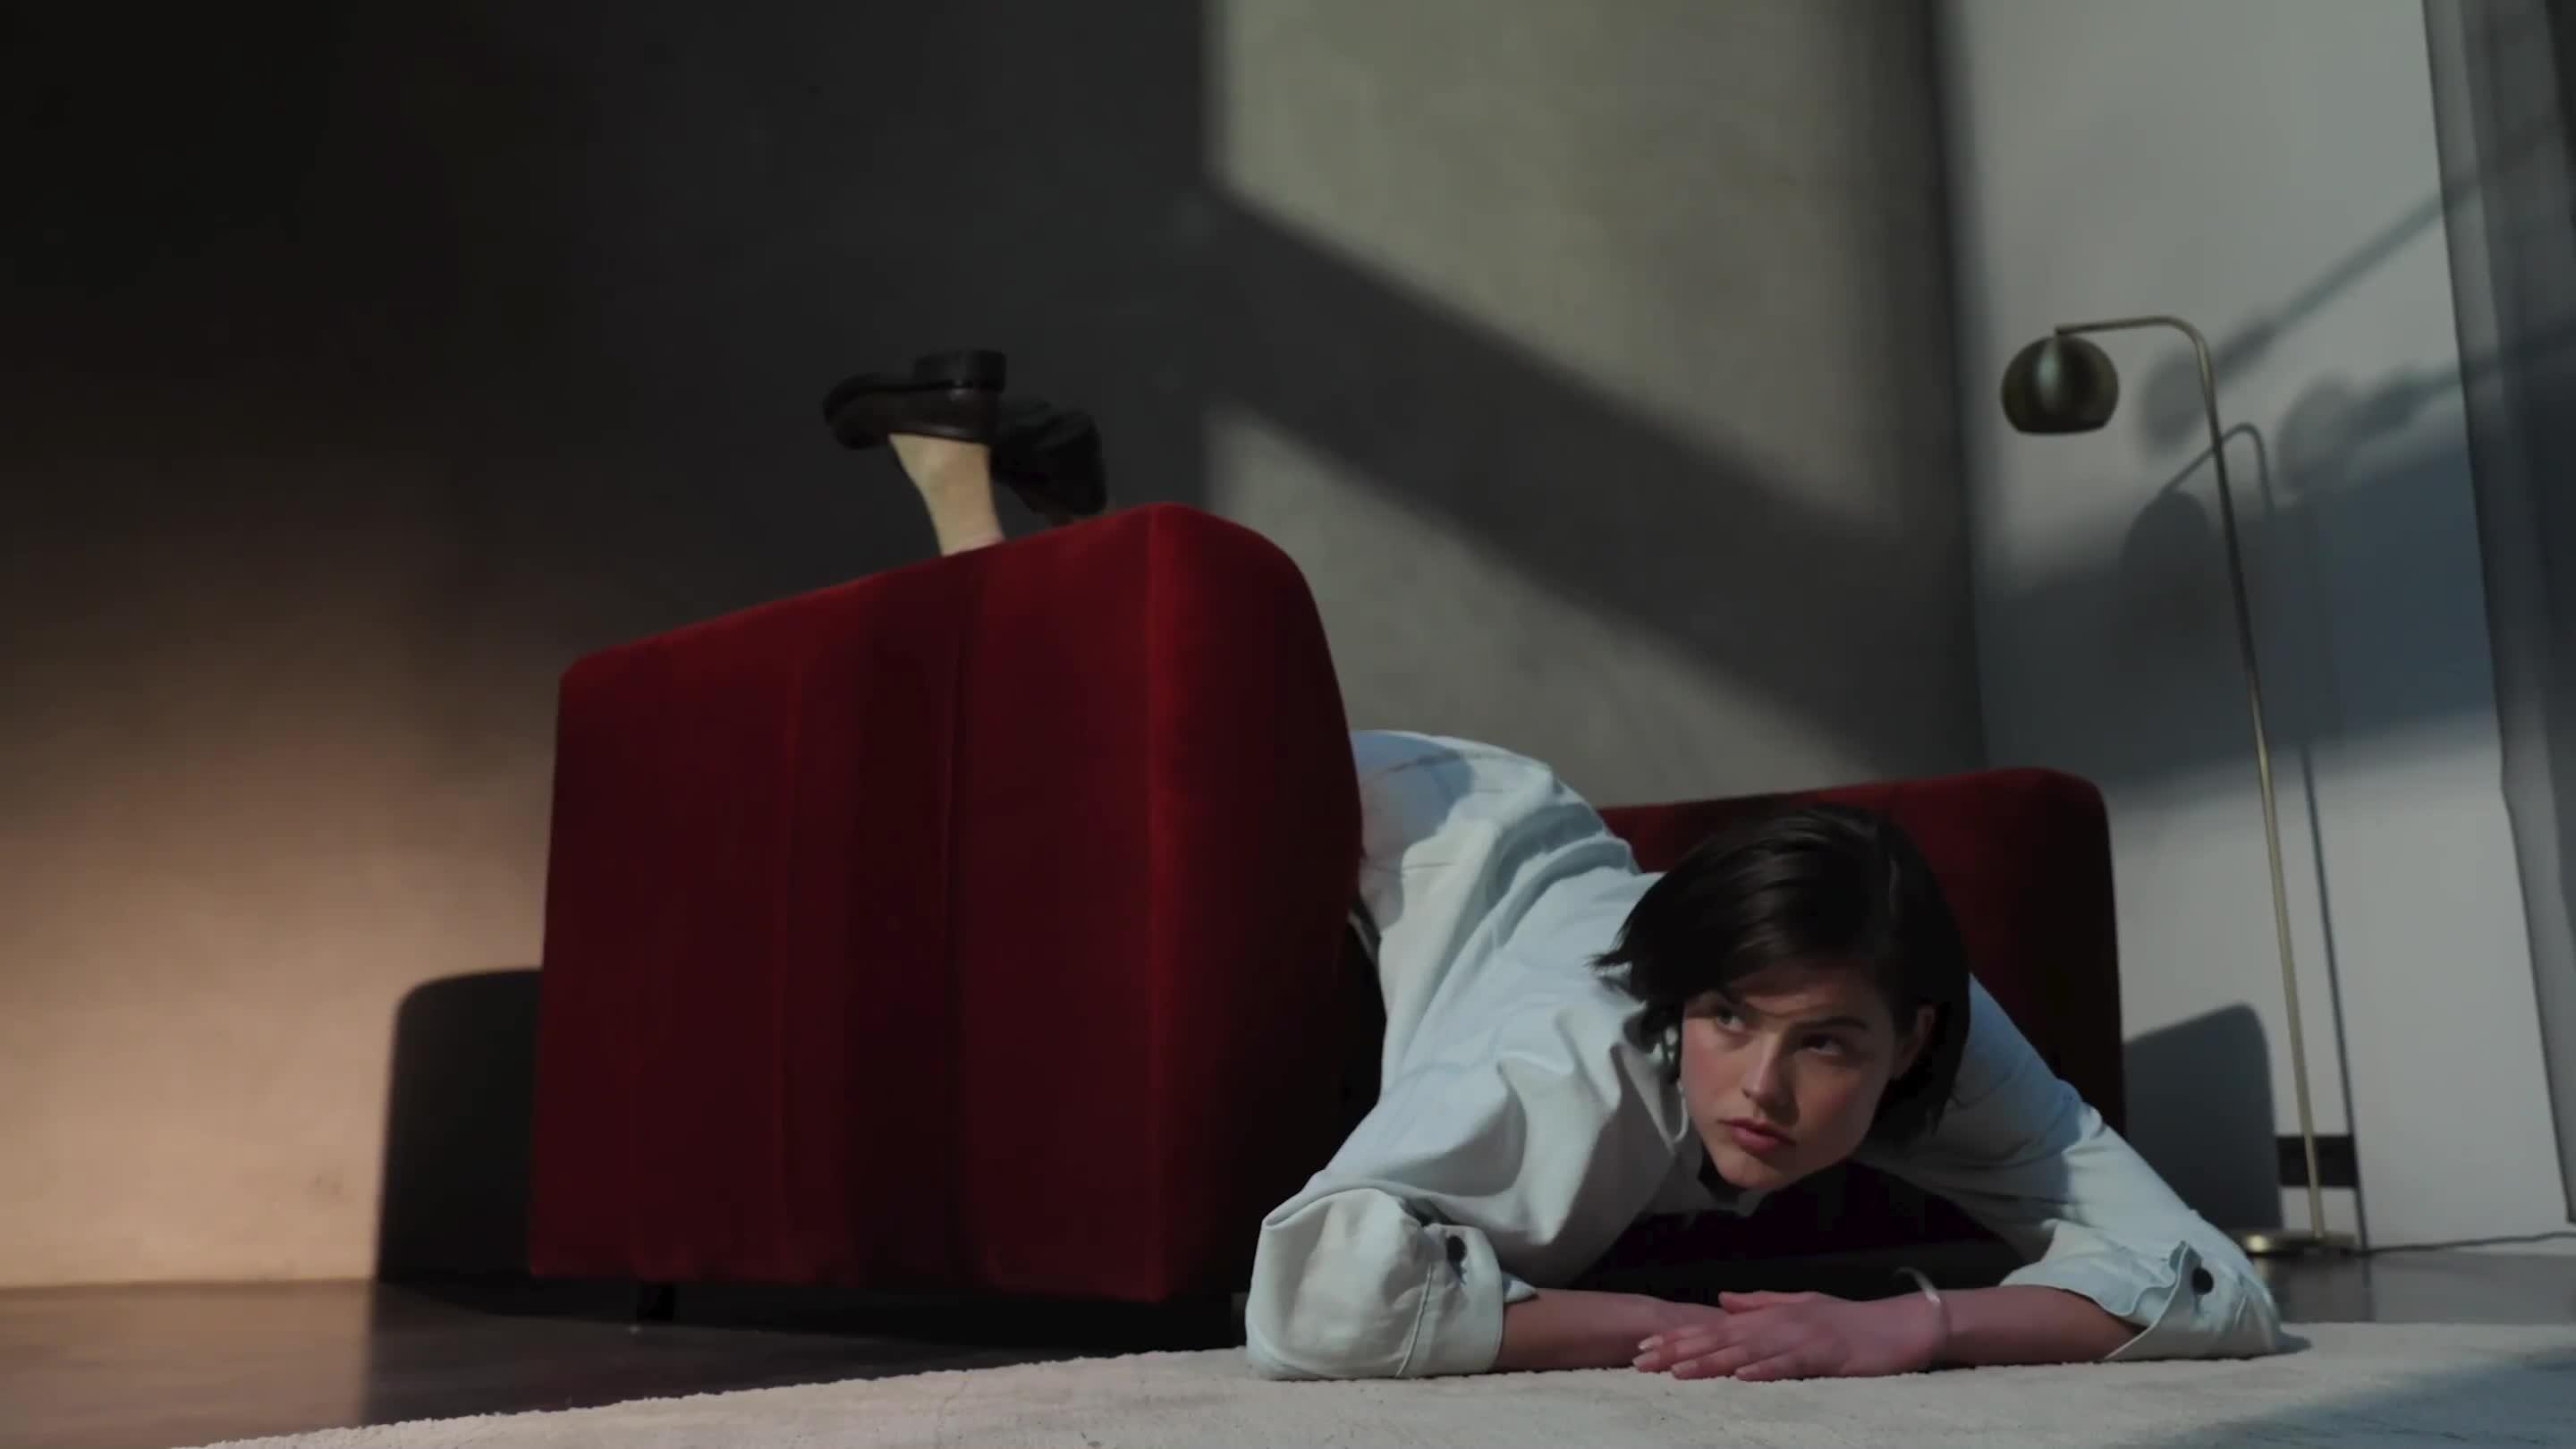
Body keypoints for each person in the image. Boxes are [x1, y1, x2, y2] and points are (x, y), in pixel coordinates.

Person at [829, 353, 2287, 1384]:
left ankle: (1030, 507)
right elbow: (1316, 1302)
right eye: (1730, 1021)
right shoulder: (1574, 1066)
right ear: (1682, 1004)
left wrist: (1906, 1327)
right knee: (1079, 751)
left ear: (1909, 1039)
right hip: (1429, 819)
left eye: (1827, 1045)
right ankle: (967, 485)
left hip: (1555, 864)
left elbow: (2215, 1285)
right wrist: (1665, 1324)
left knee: (1107, 703)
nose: (1763, 1091)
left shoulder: (1950, 1034)